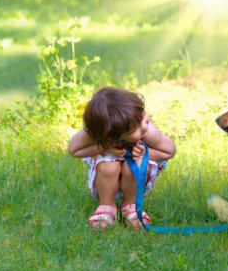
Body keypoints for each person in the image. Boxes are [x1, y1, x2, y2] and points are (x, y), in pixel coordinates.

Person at [68, 87, 176, 230]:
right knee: (108, 165)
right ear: (110, 135)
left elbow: (169, 151)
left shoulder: (143, 126)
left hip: (136, 175)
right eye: (134, 130)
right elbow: (74, 149)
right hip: (106, 175)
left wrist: (145, 153)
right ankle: (106, 206)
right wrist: (104, 147)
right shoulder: (101, 128)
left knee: (136, 165)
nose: (143, 126)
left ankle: (131, 206)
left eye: (142, 117)